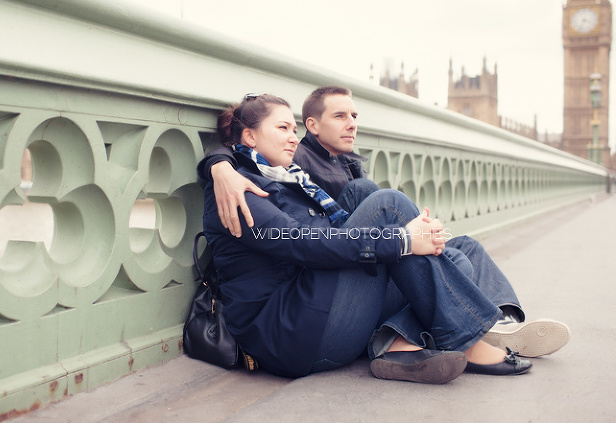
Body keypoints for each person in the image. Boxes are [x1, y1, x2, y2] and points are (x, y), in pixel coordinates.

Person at [198, 87, 570, 359]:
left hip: (322, 310)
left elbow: (325, 236)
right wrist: (402, 240)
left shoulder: (290, 179)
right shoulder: (236, 191)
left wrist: (415, 239)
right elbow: (301, 242)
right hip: (293, 335)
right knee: (389, 206)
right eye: (283, 129)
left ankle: (405, 338)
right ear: (249, 136)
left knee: (457, 256)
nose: (294, 138)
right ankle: (472, 339)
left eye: (295, 130)